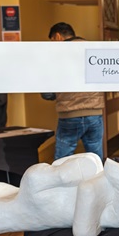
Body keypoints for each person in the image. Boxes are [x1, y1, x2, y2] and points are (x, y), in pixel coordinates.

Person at [41, 22, 105, 160]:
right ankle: (98, 181)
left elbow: (47, 92)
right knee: (96, 160)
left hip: (70, 113)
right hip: (95, 112)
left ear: (57, 36)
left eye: (52, 41)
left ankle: (65, 182)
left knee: (63, 160)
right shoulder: (93, 49)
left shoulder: (56, 54)